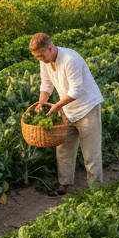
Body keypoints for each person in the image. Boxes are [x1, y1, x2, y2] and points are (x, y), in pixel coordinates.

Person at [30, 32, 104, 196]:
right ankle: (64, 184)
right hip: (67, 109)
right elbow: (47, 84)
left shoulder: (70, 59)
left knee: (91, 153)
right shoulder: (45, 61)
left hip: (87, 107)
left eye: (41, 55)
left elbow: (76, 90)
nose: (40, 59)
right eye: (37, 57)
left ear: (50, 48)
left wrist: (57, 105)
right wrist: (42, 102)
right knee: (63, 148)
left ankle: (96, 190)